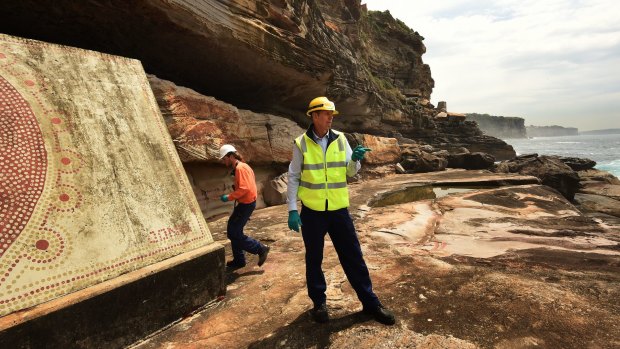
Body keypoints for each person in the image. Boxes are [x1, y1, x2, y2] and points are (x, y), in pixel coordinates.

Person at [286, 96, 395, 325]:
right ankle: (319, 304)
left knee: (353, 256)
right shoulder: (301, 143)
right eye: (326, 114)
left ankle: (370, 303)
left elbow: (350, 172)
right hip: (313, 212)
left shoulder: (341, 139)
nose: (330, 119)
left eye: (331, 115)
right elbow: (294, 176)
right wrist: (292, 209)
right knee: (314, 259)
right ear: (314, 116)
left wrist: (355, 160)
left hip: (338, 210)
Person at [219, 144, 270, 269]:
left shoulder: (240, 169)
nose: (223, 161)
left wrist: (229, 196)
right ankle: (239, 260)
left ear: (231, 156)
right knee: (234, 231)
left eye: (224, 158)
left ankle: (260, 248)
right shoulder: (242, 166)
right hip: (246, 203)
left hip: (246, 204)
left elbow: (244, 188)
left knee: (233, 232)